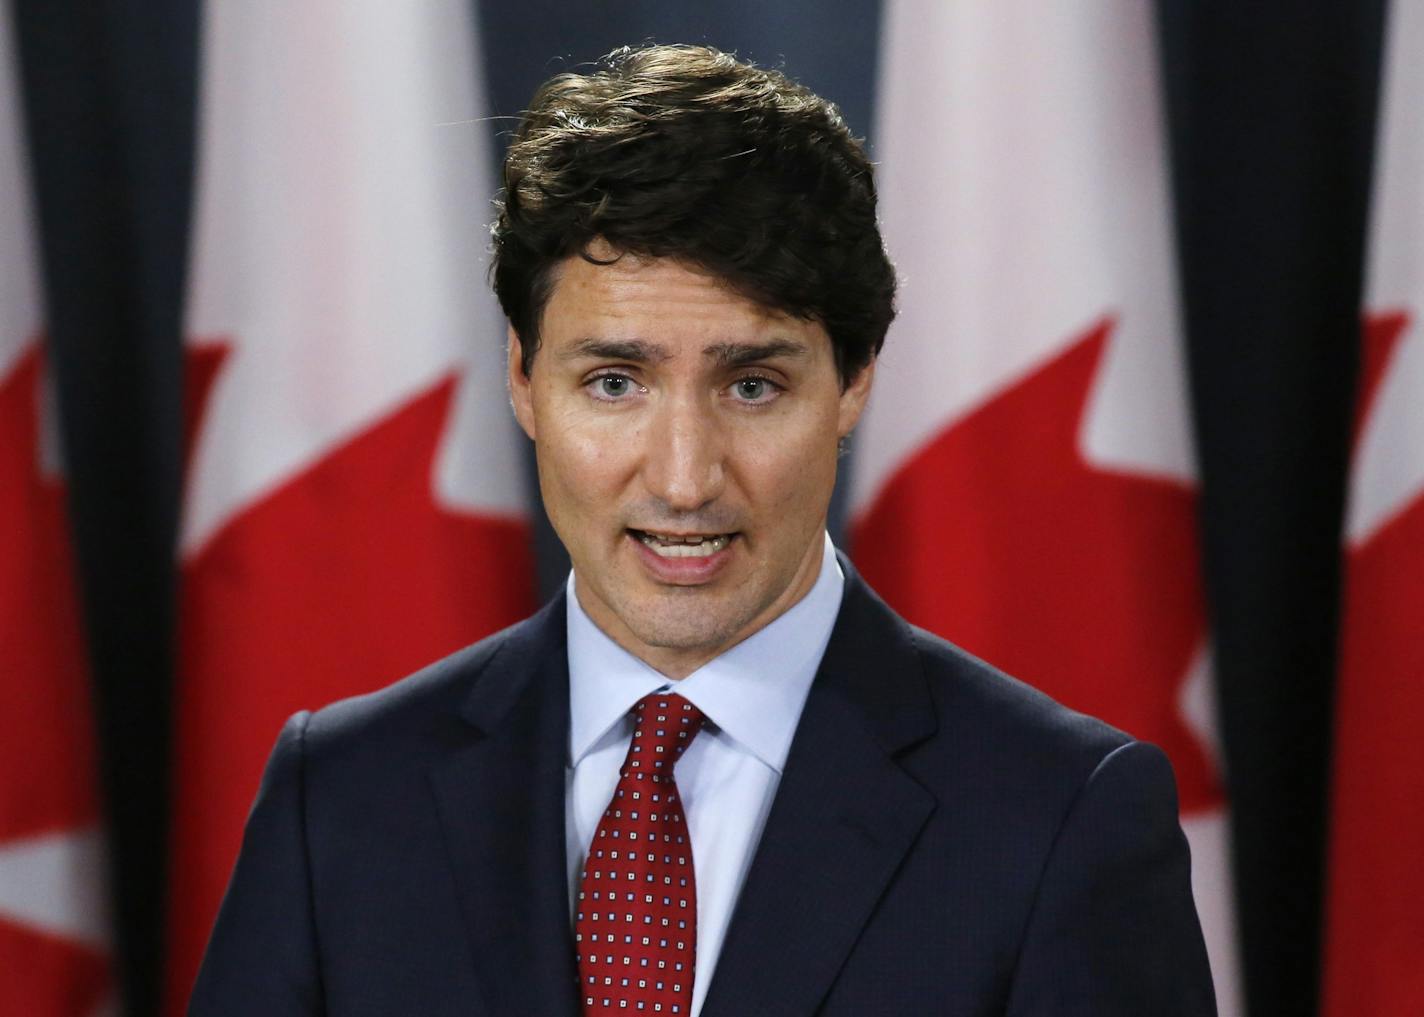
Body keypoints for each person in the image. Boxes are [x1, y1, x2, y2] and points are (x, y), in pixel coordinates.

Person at [189, 44, 1216, 1017]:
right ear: (520, 380)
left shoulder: (1059, 818)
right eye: (613, 382)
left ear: (853, 382)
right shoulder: (341, 800)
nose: (683, 479)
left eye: (753, 385)